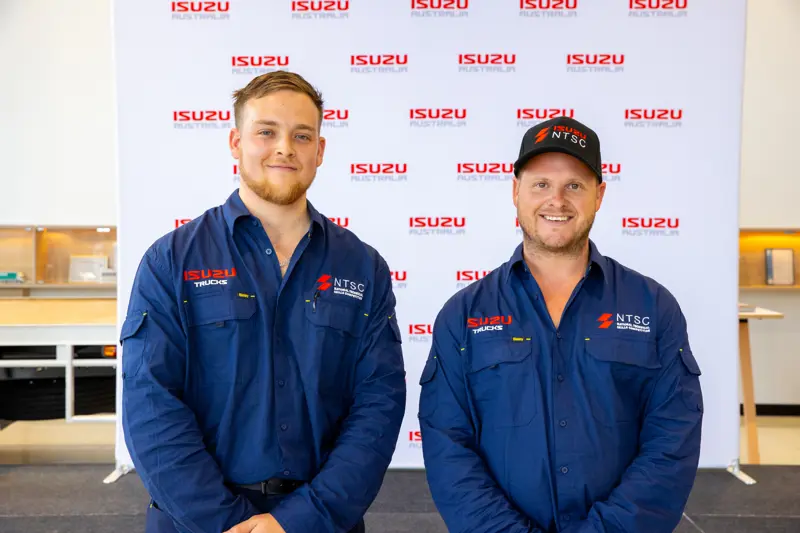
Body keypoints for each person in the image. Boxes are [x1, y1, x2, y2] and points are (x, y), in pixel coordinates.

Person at [120, 70, 406, 533]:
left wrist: (300, 520)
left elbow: (379, 403)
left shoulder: (362, 266)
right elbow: (150, 402)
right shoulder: (170, 260)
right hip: (197, 523)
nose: (284, 148)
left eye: (302, 135)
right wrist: (224, 522)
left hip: (320, 522)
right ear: (236, 143)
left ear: (320, 151)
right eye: (266, 132)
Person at [418, 116, 703, 532]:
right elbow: (448, 447)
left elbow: (671, 441)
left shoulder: (653, 307)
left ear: (599, 195)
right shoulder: (463, 315)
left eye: (574, 185)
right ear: (515, 191)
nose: (557, 200)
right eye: (541, 184)